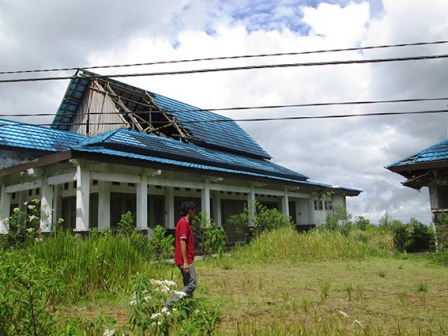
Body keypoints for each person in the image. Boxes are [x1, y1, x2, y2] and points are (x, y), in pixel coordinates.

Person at [165, 201, 197, 308]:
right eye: (194, 211)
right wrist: (186, 262)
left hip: (185, 259)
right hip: (185, 260)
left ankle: (187, 310)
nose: (194, 213)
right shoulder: (183, 223)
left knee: (187, 286)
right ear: (190, 211)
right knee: (192, 284)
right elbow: (182, 242)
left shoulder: (184, 222)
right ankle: (170, 304)